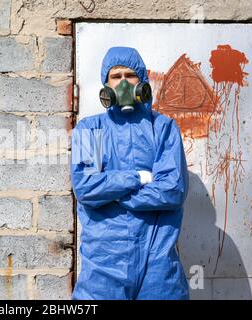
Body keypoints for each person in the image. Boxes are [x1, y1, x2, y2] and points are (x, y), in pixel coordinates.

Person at [70, 46, 190, 300]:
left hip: (158, 264)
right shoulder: (91, 130)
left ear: (142, 81)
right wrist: (138, 178)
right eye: (116, 77)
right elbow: (85, 187)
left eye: (129, 75)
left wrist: (111, 191)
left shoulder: (163, 128)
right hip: (103, 265)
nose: (123, 83)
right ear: (106, 84)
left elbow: (172, 191)